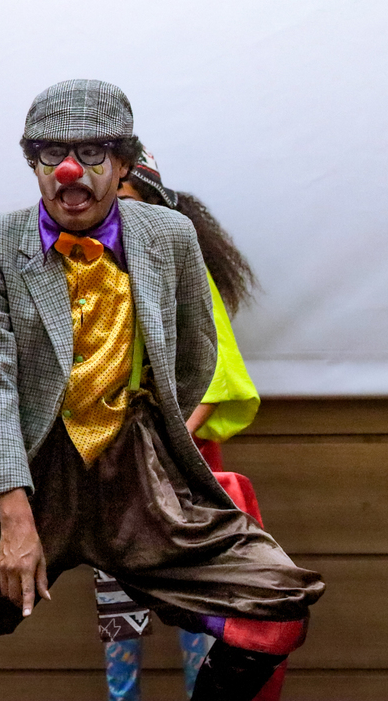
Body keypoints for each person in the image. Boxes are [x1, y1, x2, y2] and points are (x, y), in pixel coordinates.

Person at [0, 79, 324, 701]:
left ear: (124, 162)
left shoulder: (169, 236)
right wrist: (14, 519)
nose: (68, 170)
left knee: (276, 606)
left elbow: (196, 358)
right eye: (51, 152)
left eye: (91, 152)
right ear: (33, 163)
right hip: (27, 472)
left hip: (137, 474)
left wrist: (154, 443)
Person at [97, 152, 266, 700]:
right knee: (118, 602)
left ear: (157, 209)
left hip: (182, 466)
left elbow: (217, 381)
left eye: (125, 200)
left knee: (196, 597)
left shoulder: (186, 273)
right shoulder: (85, 277)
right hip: (115, 465)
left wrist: (167, 440)